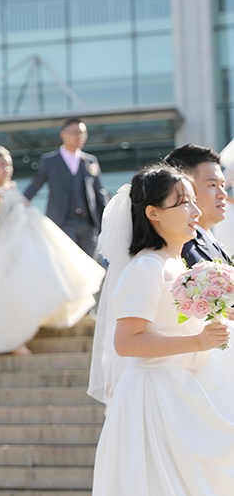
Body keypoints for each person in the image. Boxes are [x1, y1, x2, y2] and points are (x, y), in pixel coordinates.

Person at [89, 164, 234, 494]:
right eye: (183, 203)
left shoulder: (180, 264)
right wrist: (198, 341)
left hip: (188, 390)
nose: (195, 211)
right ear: (153, 212)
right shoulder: (145, 267)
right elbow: (126, 342)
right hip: (155, 397)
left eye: (194, 201)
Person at [0, 147, 103, 354]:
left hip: (19, 241)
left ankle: (28, 327)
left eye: (9, 165)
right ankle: (10, 338)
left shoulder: (13, 188)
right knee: (0, 288)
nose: (7, 169)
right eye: (2, 164)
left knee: (31, 279)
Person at [23, 118, 109, 257]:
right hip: (63, 222)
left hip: (88, 224)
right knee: (68, 262)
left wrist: (106, 218)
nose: (79, 137)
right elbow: (35, 185)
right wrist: (20, 203)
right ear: (63, 134)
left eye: (82, 133)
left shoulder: (90, 160)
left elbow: (99, 192)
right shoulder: (50, 160)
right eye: (75, 132)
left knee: (90, 265)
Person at [164, 144, 231, 267]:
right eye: (212, 185)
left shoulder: (209, 240)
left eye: (222, 185)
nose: (223, 194)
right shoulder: (181, 248)